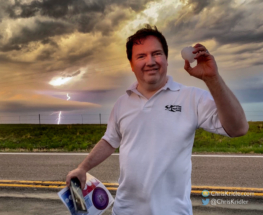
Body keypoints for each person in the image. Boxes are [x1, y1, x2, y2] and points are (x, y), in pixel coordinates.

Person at [66, 25, 249, 215]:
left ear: (166, 59)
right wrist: (82, 168)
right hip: (125, 211)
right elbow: (110, 140)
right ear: (131, 64)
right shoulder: (122, 103)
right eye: (141, 56)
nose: (150, 61)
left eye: (156, 53)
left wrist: (212, 78)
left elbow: (238, 128)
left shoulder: (191, 97)